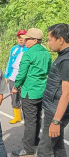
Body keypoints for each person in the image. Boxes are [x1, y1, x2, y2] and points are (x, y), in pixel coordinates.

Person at [11, 28, 52, 156]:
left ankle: (27, 149)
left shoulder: (28, 54)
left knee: (30, 121)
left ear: (35, 40)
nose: (25, 40)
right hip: (41, 90)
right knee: (38, 117)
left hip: (29, 91)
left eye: (28, 39)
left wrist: (16, 86)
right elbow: (49, 71)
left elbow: (21, 73)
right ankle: (35, 140)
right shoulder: (46, 53)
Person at [37, 23, 69, 157]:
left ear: (60, 39)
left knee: (45, 150)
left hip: (56, 111)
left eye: (50, 40)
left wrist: (56, 120)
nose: (48, 43)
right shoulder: (62, 56)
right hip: (55, 108)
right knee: (58, 145)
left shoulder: (66, 60)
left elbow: (66, 93)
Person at [5, 29, 28, 124]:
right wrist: (7, 75)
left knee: (26, 98)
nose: (21, 39)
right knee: (14, 97)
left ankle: (28, 118)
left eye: (23, 37)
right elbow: (10, 62)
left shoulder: (29, 49)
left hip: (25, 77)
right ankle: (17, 117)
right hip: (13, 76)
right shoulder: (14, 49)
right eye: (19, 37)